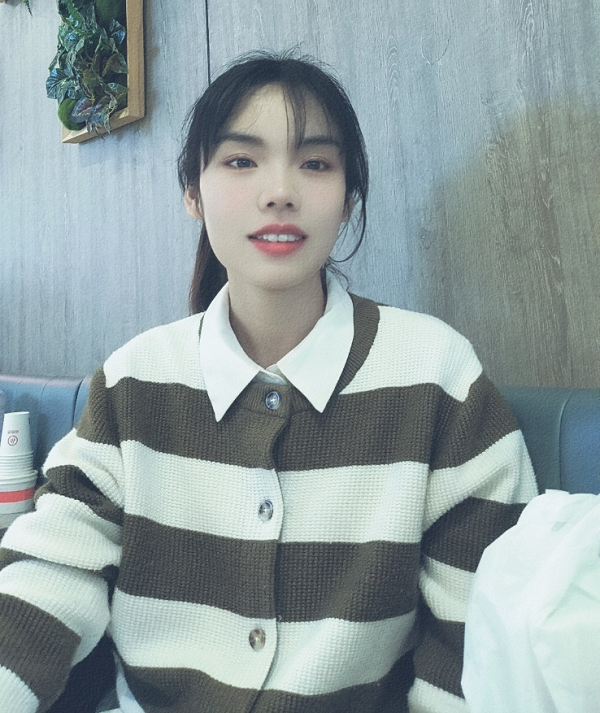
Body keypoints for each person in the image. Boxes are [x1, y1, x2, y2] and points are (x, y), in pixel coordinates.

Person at [0, 50, 538, 713]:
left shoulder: (437, 378)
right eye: (240, 160)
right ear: (192, 193)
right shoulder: (134, 382)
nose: (280, 190)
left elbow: (478, 635)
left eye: (316, 164)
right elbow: (47, 577)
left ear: (348, 198)